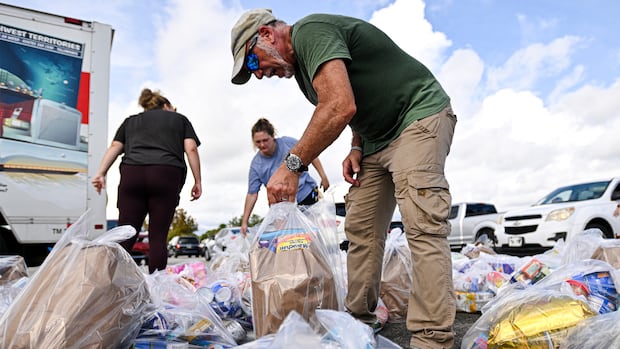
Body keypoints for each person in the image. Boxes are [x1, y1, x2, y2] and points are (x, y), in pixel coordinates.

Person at [230, 9, 457, 349]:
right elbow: (356, 104)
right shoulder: (303, 75)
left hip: (417, 116)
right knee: (362, 229)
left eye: (252, 63)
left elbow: (339, 104)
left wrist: (292, 166)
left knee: (422, 224)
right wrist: (356, 144)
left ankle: (431, 338)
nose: (259, 74)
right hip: (375, 141)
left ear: (266, 34)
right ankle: (358, 324)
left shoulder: (309, 31)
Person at [92, 88, 202, 274]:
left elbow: (115, 147)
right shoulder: (179, 119)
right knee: (158, 238)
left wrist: (100, 173)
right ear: (166, 106)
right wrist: (197, 180)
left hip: (132, 175)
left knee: (125, 235)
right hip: (165, 174)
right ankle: (156, 287)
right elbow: (190, 149)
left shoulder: (130, 121)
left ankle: (109, 286)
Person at [241, 117, 330, 235]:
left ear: (273, 136)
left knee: (313, 237)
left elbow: (311, 154)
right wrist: (244, 222)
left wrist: (323, 176)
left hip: (308, 197)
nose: (262, 145)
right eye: (258, 142)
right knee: (288, 241)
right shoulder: (256, 165)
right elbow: (252, 194)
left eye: (265, 140)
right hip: (283, 207)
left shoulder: (288, 143)